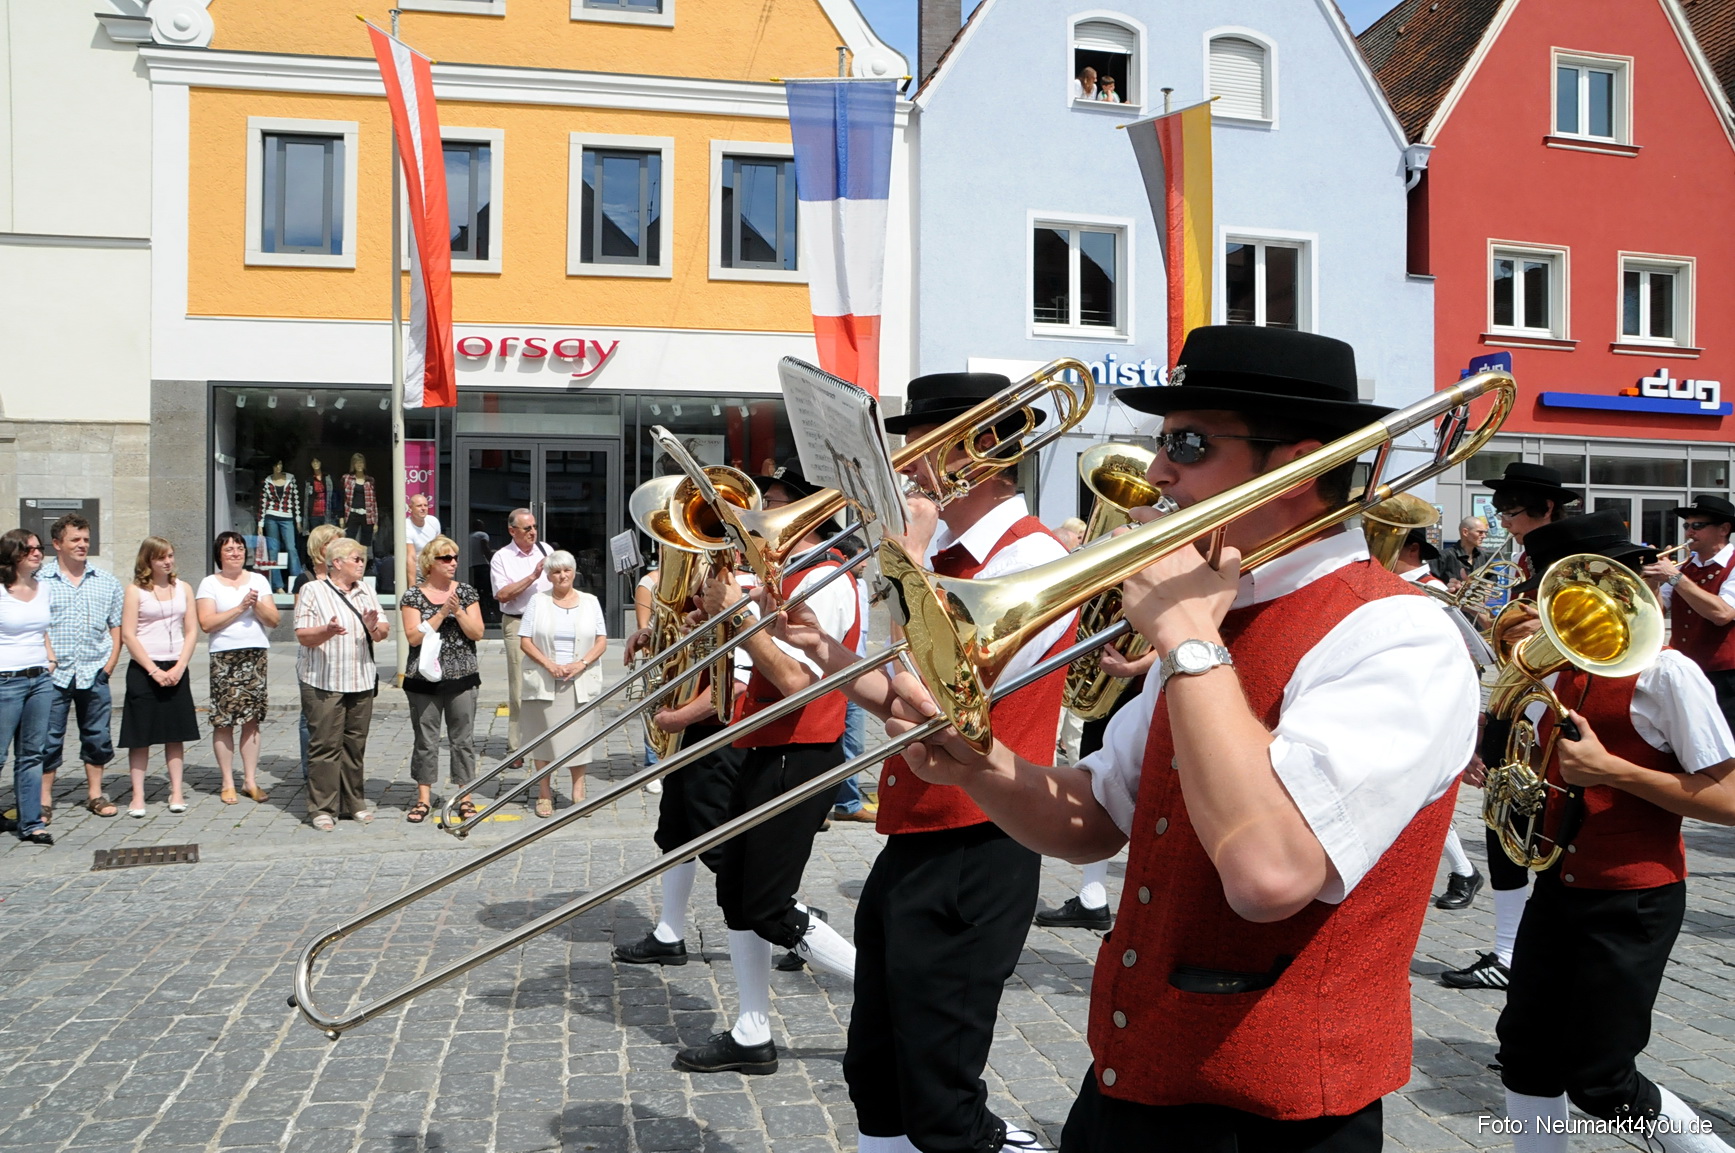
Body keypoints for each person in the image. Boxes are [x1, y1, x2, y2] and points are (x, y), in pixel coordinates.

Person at [880, 327, 1479, 1152]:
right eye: (1163, 443)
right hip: (1131, 1081)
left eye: (1188, 445)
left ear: (1295, 464)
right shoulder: (1207, 608)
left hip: (1273, 1120)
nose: (1156, 472)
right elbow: (1098, 814)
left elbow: (1271, 876)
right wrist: (981, 764)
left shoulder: (1399, 632)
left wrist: (1190, 642)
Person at [771, 382, 1076, 1150]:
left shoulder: (1031, 558)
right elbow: (898, 703)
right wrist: (824, 649)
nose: (904, 464)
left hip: (981, 840)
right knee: (875, 1074)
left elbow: (941, 707)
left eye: (924, 443)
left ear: (984, 454)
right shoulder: (938, 555)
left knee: (941, 1095)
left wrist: (902, 569)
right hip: (915, 828)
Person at [1489, 510, 1735, 1153]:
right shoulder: (1551, 669)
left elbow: (1732, 799)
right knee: (1525, 1052)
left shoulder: (1668, 674)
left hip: (1633, 897)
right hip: (1560, 885)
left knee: (1601, 1081)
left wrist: (1612, 771)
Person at [673, 465, 861, 1077]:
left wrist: (740, 618)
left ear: (805, 513)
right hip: (764, 748)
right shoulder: (789, 577)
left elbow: (796, 683)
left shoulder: (826, 579)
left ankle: (887, 991)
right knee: (734, 894)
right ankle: (752, 1031)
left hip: (800, 753)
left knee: (767, 905)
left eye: (771, 505)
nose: (756, 519)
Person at [1439, 461, 1580, 990]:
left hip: (1549, 710)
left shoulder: (1568, 566)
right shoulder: (1533, 561)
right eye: (1499, 513)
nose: (1505, 523)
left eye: (1513, 513)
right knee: (1505, 826)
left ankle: (1515, 952)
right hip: (1520, 702)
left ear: (1545, 509)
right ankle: (1509, 950)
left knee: (1525, 828)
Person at [614, 577, 753, 967]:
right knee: (674, 833)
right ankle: (669, 933)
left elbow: (736, 684)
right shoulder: (708, 598)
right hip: (692, 736)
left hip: (719, 738)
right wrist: (651, 639)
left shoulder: (742, 594)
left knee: (718, 843)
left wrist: (675, 718)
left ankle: (790, 923)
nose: (694, 599)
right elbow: (690, 643)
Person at [295, 537, 389, 831]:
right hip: (323, 679)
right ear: (336, 563)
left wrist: (374, 626)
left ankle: (354, 803)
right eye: (355, 559)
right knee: (325, 745)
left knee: (354, 745)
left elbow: (383, 630)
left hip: (359, 678)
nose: (361, 564)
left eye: (362, 559)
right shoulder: (313, 590)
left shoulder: (366, 590)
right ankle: (323, 807)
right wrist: (327, 630)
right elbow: (302, 635)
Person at [39, 512, 124, 821]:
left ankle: (95, 794)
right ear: (57, 543)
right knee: (48, 738)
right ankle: (44, 799)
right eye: (75, 539)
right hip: (54, 675)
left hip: (94, 671)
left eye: (86, 539)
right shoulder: (40, 581)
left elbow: (116, 627)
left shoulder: (107, 582)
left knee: (98, 736)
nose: (82, 545)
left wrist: (110, 665)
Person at [401, 535, 484, 824]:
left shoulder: (467, 592)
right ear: (430, 562)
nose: (453, 563)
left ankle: (466, 796)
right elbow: (413, 637)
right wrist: (441, 613)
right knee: (426, 740)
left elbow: (477, 632)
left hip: (462, 677)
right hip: (424, 679)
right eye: (445, 558)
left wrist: (458, 611)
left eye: (455, 557)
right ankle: (423, 798)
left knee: (463, 740)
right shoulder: (413, 596)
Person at [518, 550, 607, 816]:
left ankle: (578, 791)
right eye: (556, 572)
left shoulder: (590, 601)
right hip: (546, 678)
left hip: (579, 678)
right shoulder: (537, 601)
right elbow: (525, 640)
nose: (562, 576)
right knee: (542, 736)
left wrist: (582, 663)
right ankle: (544, 793)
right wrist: (549, 664)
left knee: (579, 738)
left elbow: (601, 639)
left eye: (566, 570)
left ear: (574, 572)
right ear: (549, 576)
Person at [118, 537, 200, 817]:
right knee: (139, 735)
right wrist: (152, 670)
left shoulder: (183, 588)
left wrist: (180, 665)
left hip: (175, 665)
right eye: (161, 557)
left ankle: (176, 790)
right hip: (144, 668)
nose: (168, 562)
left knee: (175, 733)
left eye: (171, 556)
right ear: (148, 561)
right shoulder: (135, 591)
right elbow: (128, 634)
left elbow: (191, 630)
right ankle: (137, 795)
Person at [196, 531, 278, 805]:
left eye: (240, 548)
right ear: (219, 554)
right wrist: (241, 607)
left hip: (254, 654)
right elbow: (207, 623)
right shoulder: (209, 583)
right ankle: (227, 782)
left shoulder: (258, 580)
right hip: (224, 657)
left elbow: (274, 619)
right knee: (224, 721)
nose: (235, 553)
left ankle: (250, 780)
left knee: (252, 720)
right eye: (229, 549)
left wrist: (255, 606)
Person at [1643, 496, 1735, 732]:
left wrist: (1674, 577)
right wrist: (1652, 583)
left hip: (1725, 677)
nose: (1689, 533)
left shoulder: (1731, 566)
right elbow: (1657, 612)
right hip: (1684, 670)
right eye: (1687, 526)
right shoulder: (1683, 568)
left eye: (1698, 526)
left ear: (1724, 529)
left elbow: (1722, 613)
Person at [0, 529, 55, 845]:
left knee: (32, 753)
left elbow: (41, 629)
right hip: (5, 680)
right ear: (13, 554)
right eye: (29, 548)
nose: (37, 552)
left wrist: (50, 657)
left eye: (39, 547)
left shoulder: (43, 588)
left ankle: (31, 823)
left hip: (39, 680)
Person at [490, 508, 552, 752]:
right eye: (527, 528)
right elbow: (502, 594)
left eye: (534, 527)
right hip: (517, 622)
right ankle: (516, 746)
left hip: (547, 623)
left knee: (548, 682)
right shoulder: (502, 557)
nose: (533, 532)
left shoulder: (547, 550)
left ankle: (547, 741)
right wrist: (533, 576)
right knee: (518, 687)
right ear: (512, 530)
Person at [293, 524, 345, 778]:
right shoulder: (306, 580)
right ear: (320, 548)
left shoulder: (347, 578)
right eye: (333, 543)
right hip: (315, 655)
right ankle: (310, 770)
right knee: (310, 717)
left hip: (343, 655)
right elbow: (301, 624)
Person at [258, 459, 302, 593]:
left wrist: (298, 520)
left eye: (281, 464)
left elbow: (296, 499)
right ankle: (278, 586)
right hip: (271, 517)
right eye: (276, 465)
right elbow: (263, 503)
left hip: (287, 517)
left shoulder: (290, 478)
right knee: (273, 550)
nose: (278, 467)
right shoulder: (267, 481)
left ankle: (297, 582)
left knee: (291, 548)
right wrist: (260, 523)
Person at [1434, 515, 1489, 586]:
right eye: (1480, 532)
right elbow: (1430, 582)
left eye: (1485, 532)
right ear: (1465, 532)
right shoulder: (1443, 556)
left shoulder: (1484, 557)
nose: (1484, 536)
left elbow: (1490, 582)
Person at [341, 453, 378, 549]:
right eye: (356, 463)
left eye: (361, 463)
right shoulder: (347, 479)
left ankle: (364, 563)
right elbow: (342, 498)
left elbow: (374, 502)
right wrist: (341, 517)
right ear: (353, 465)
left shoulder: (370, 480)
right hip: (352, 513)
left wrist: (375, 522)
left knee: (365, 545)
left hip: (367, 515)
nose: (359, 465)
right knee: (350, 541)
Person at [404, 492, 442, 584]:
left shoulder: (433, 521)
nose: (423, 508)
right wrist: (412, 587)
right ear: (410, 508)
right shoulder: (406, 526)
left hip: (434, 570)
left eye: (425, 505)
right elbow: (411, 557)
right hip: (417, 572)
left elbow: (440, 547)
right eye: (419, 506)